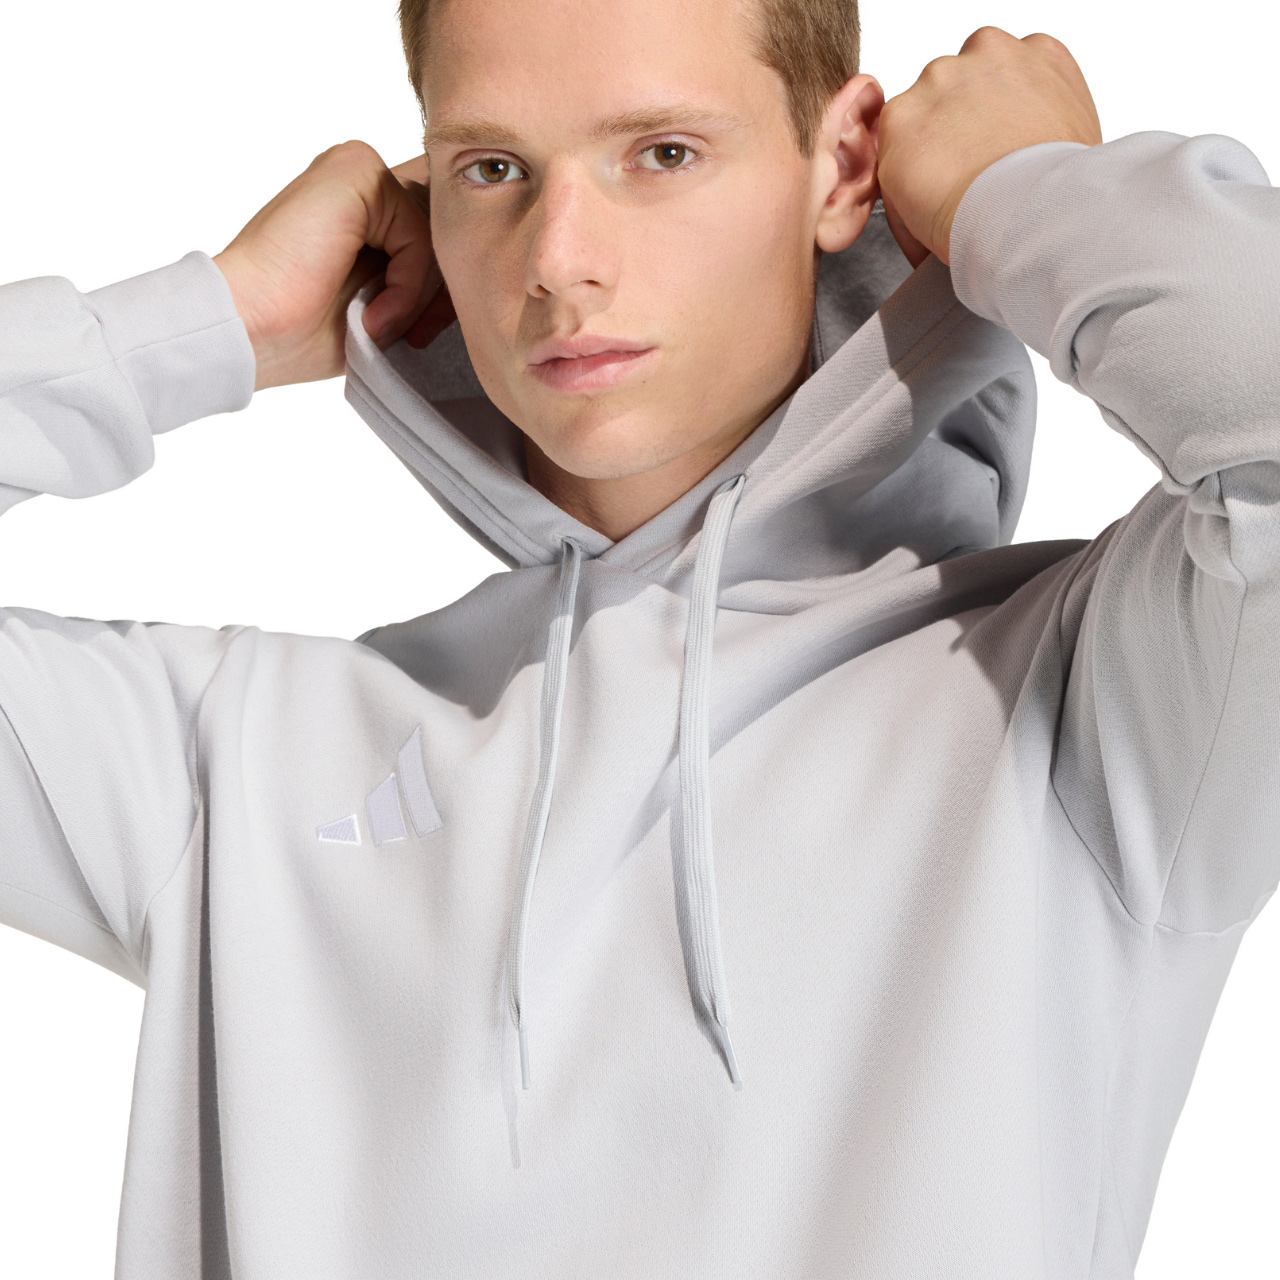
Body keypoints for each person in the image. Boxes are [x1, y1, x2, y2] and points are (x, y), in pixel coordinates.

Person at [1, 0, 1277, 1272]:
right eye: (491, 168)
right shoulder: (234, 755)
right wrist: (208, 322)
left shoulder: (1104, 704)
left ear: (842, 165)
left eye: (661, 152)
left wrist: (1027, 191)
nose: (557, 258)